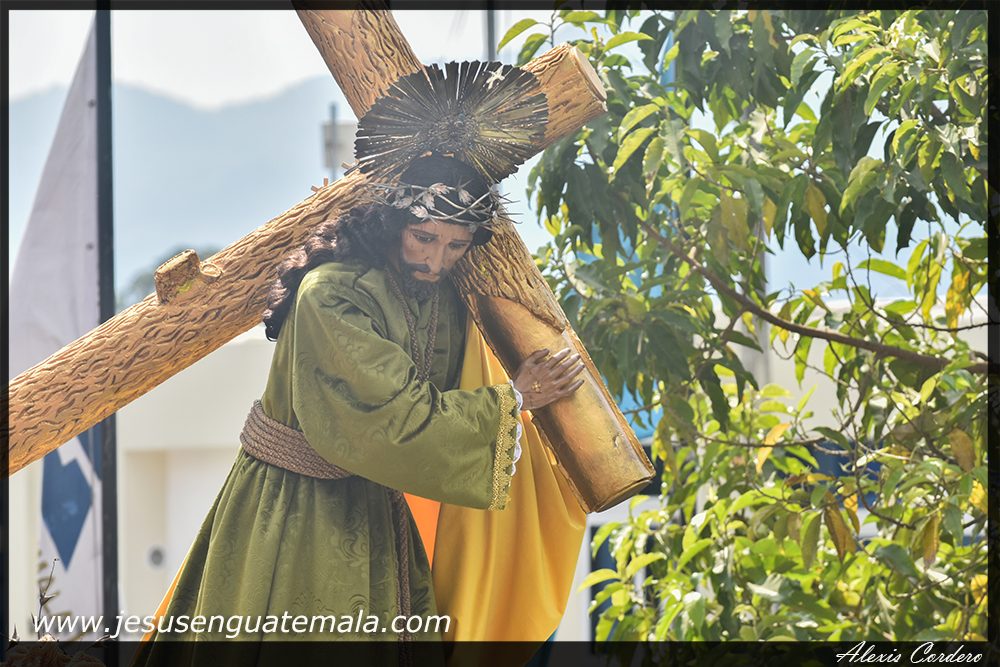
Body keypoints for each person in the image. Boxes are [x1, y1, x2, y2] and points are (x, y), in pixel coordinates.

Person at [131, 154, 585, 657]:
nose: (436, 261)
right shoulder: (330, 294)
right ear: (393, 220)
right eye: (424, 237)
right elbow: (393, 417)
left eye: (455, 245)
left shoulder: (439, 298)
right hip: (293, 506)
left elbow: (444, 388)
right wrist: (516, 397)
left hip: (373, 508)